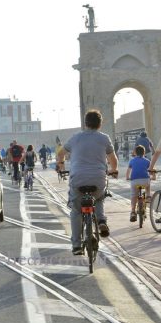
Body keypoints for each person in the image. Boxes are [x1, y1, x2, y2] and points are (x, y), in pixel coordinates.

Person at [56, 109, 118, 255]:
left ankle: (77, 245)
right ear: (100, 124)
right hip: (98, 178)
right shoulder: (104, 138)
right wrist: (114, 170)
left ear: (85, 123)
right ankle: (101, 221)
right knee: (100, 197)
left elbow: (60, 154)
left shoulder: (75, 137)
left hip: (77, 179)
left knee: (76, 210)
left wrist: (61, 166)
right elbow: (113, 159)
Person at [126, 145, 151, 222]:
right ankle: (148, 196)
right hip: (145, 181)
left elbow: (128, 171)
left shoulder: (132, 161)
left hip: (135, 181)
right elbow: (151, 170)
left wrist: (127, 177)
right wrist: (153, 176)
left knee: (134, 195)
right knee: (148, 185)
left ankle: (133, 212)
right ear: (144, 153)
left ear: (135, 153)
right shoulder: (147, 161)